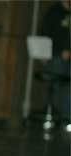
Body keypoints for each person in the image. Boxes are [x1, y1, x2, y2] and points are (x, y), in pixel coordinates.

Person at [40, 0, 71, 128]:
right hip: (56, 56)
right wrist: (54, 52)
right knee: (58, 87)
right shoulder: (54, 12)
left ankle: (66, 118)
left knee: (68, 88)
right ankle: (61, 117)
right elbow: (45, 34)